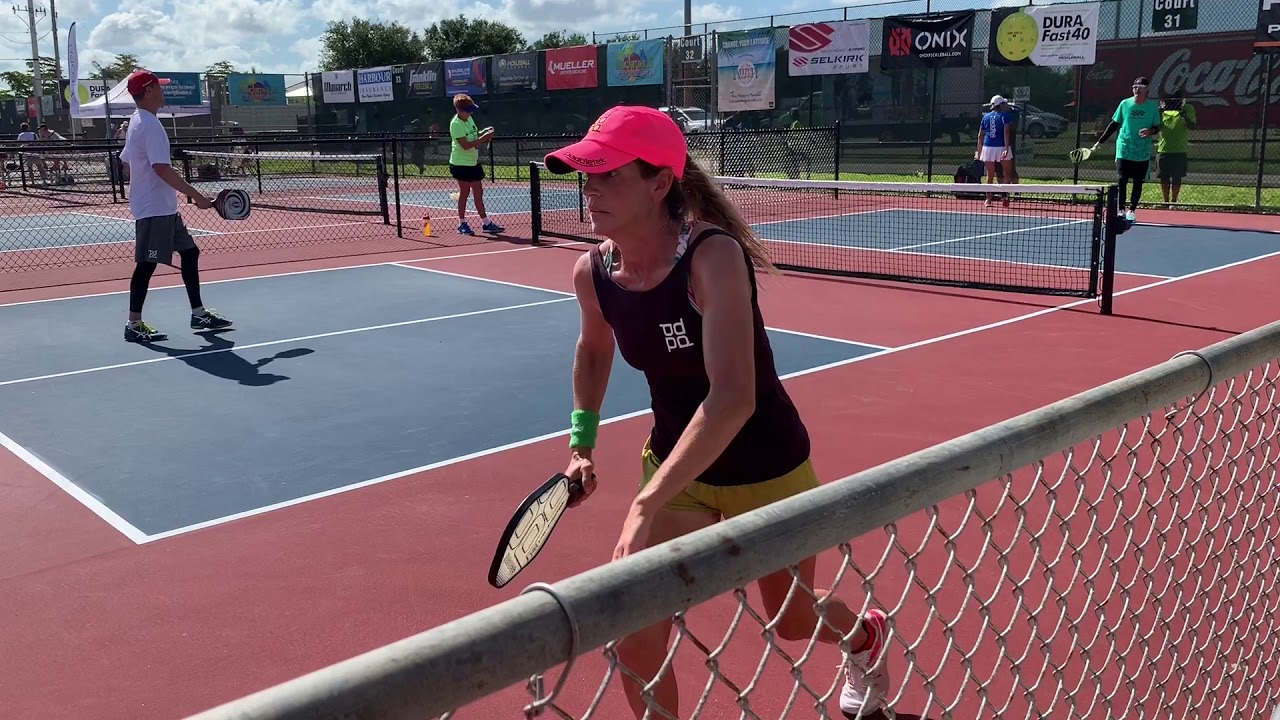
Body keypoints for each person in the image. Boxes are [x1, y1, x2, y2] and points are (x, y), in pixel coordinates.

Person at [543, 105, 891, 720]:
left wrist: (644, 504)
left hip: (767, 467)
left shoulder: (711, 257)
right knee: (634, 629)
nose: (591, 188)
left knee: (791, 619)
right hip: (679, 467)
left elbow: (733, 396)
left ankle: (864, 638)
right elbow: (593, 350)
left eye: (609, 174)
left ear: (659, 184)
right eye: (586, 175)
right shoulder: (592, 273)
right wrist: (581, 443)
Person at [119, 69, 232, 343]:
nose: (163, 91)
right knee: (147, 264)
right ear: (148, 91)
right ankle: (133, 324)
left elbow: (127, 162)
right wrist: (196, 196)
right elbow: (160, 168)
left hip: (163, 207)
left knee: (190, 253)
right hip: (155, 209)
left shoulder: (137, 121)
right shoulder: (149, 124)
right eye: (159, 86)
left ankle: (198, 313)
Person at [1087, 76, 1162, 223]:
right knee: (1122, 180)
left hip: (1142, 151)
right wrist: (1099, 141)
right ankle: (1121, 210)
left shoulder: (1152, 107)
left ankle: (1132, 210)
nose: (1136, 89)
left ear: (1147, 89)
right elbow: (1114, 125)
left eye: (1140, 87)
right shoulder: (1124, 104)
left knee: (1138, 182)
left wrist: (1150, 131)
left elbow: (1157, 127)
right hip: (1124, 148)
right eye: (1134, 86)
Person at [448, 93, 503, 236]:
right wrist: (483, 138)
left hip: (472, 163)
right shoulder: (456, 124)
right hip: (460, 164)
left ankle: (486, 223)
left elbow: (473, 135)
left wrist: (482, 133)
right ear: (459, 110)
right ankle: (462, 223)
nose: (471, 112)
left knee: (479, 193)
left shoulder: (469, 119)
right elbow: (466, 145)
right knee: (464, 193)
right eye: (468, 110)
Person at [974, 94, 1015, 207]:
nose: (1006, 105)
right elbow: (1006, 132)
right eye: (1004, 103)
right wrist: (1006, 148)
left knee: (990, 174)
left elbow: (980, 136)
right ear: (1001, 105)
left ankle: (988, 199)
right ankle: (1004, 196)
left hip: (988, 148)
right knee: (1008, 172)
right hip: (1001, 147)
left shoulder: (985, 117)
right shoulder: (1005, 116)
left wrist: (979, 152)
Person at [1156, 92, 1196, 206]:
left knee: (1177, 177)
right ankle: (1165, 201)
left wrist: (1184, 114)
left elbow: (1192, 126)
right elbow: (1156, 128)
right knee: (1164, 178)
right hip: (1164, 149)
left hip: (1180, 150)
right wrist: (1160, 111)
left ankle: (1174, 201)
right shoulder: (1162, 110)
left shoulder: (1188, 108)